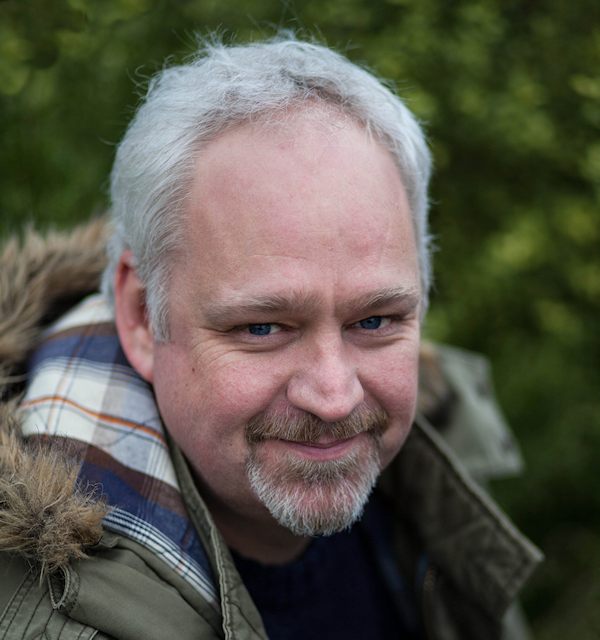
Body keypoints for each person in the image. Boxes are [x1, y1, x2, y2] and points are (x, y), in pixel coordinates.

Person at [0, 35, 541, 639]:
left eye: (374, 321)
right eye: (262, 328)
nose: (334, 397)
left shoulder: (438, 462)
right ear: (142, 316)